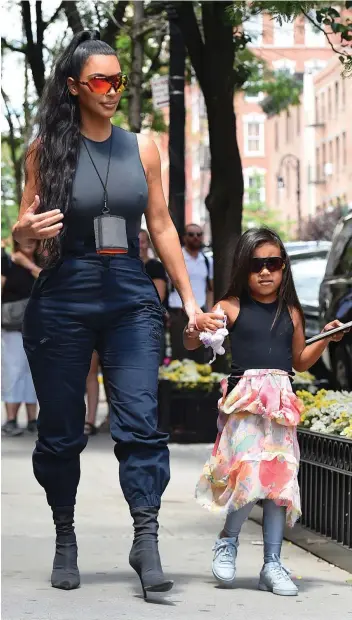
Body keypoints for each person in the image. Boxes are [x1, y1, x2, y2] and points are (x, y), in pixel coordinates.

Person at [13, 30, 199, 596]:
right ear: (74, 87)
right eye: (101, 80)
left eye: (119, 79)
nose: (112, 89)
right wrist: (22, 233)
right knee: (62, 429)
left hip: (128, 293)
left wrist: (189, 301)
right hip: (66, 291)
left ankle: (147, 538)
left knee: (141, 420)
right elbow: (22, 230)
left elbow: (162, 225)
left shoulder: (143, 147)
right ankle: (65, 535)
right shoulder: (45, 151)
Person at [184, 227, 348, 596]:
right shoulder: (228, 307)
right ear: (243, 268)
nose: (265, 272)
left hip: (280, 405)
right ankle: (228, 540)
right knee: (250, 476)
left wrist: (325, 339)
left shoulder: (291, 311)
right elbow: (195, 340)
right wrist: (196, 326)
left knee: (279, 485)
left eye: (273, 263)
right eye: (256, 264)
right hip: (245, 404)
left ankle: (272, 564)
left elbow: (300, 361)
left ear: (284, 268)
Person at [1, 239, 40, 436]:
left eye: (33, 239)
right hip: (12, 327)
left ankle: (33, 419)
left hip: (39, 326)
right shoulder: (6, 263)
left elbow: (45, 281)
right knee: (13, 371)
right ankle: (11, 419)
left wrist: (28, 264)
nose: (29, 243)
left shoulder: (42, 262)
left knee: (34, 373)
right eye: (25, 238)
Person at [168, 223, 213, 363]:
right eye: (191, 234)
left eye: (199, 234)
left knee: (201, 357)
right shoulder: (175, 258)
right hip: (178, 313)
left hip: (200, 314)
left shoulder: (207, 260)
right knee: (179, 357)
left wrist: (209, 311)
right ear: (184, 237)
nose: (195, 237)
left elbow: (209, 289)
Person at [139, 229, 168, 363]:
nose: (140, 245)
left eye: (143, 241)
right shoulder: (123, 267)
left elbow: (158, 296)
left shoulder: (155, 267)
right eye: (136, 241)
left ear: (148, 244)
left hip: (149, 323)